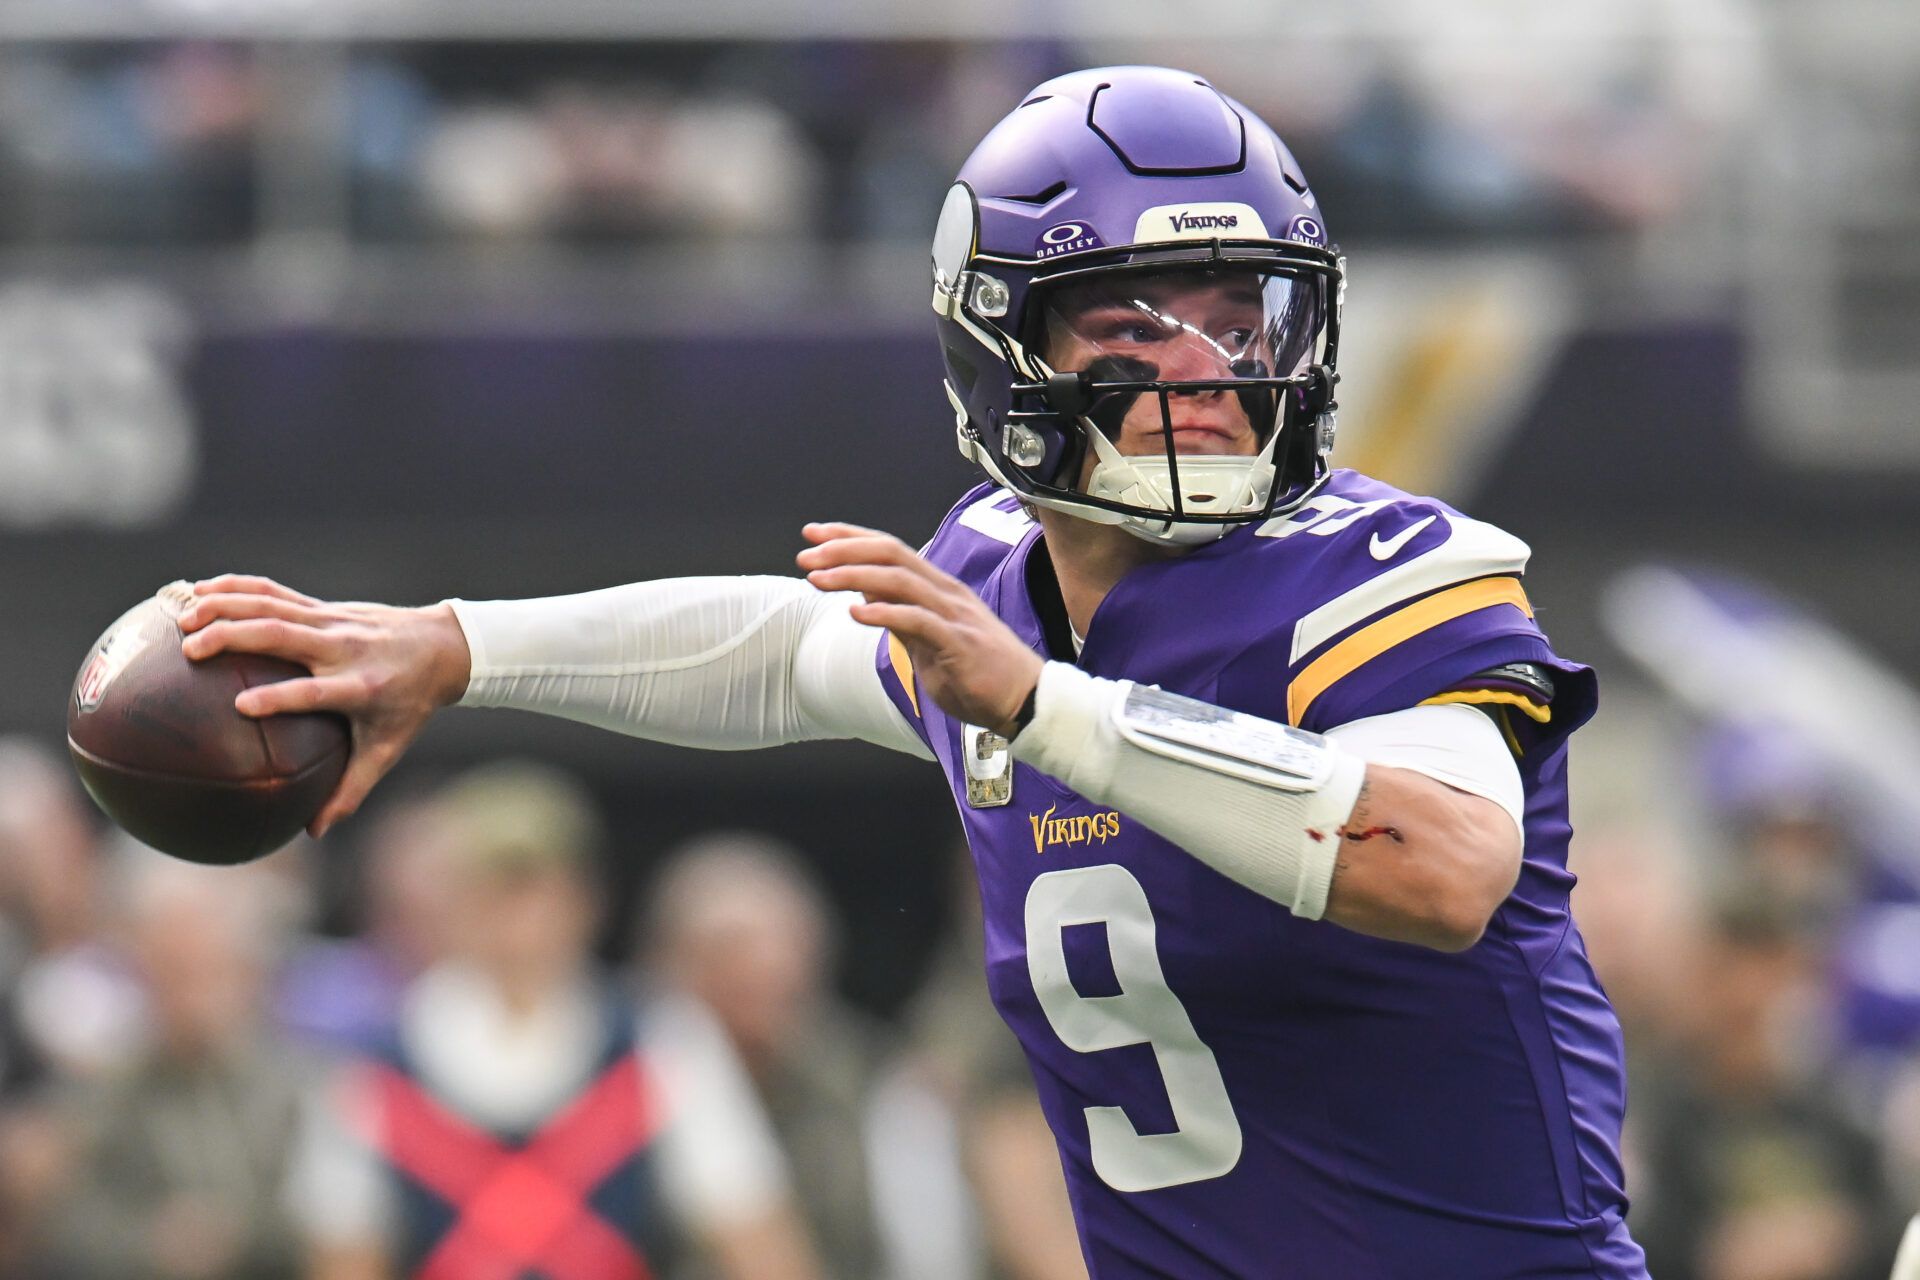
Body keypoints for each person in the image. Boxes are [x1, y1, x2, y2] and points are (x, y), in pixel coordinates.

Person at [178, 66, 1643, 1278]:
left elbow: (1446, 864)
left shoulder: (1390, 574)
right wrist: (457, 647)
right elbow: (779, 650)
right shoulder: (1001, 579)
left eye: (1239, 318)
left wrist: (1040, 709)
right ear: (1000, 347)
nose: (1204, 372)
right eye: (1135, 324)